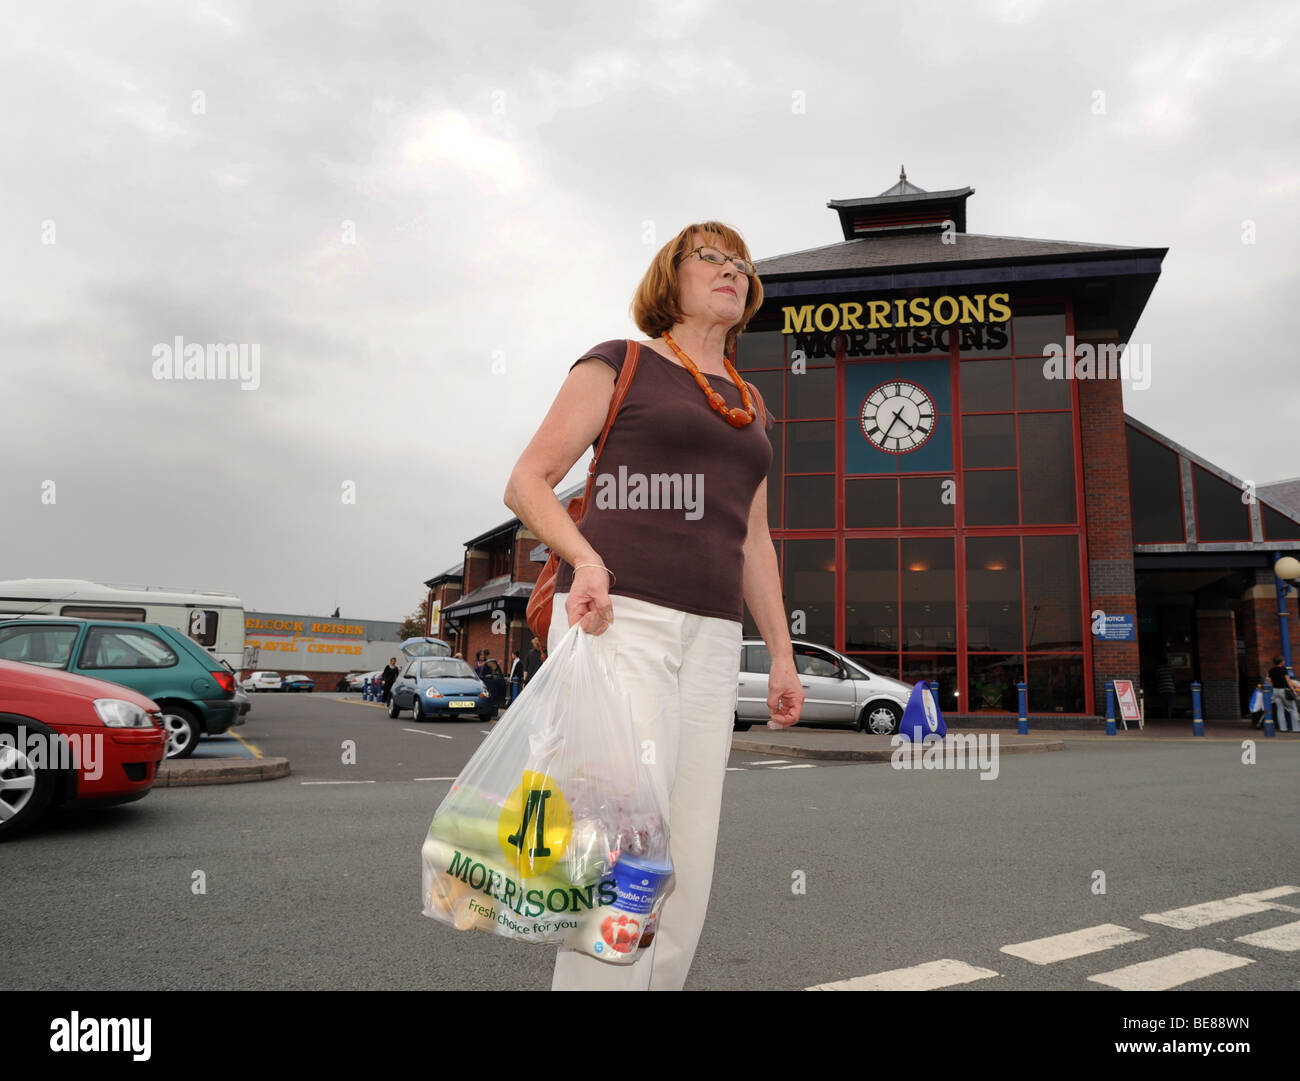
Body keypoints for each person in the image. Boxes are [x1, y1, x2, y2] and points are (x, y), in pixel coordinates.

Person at [503, 221, 804, 992]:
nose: (732, 270)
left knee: (689, 848)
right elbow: (529, 481)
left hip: (711, 636)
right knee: (622, 839)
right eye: (712, 257)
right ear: (669, 277)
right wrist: (585, 559)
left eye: (741, 262)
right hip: (617, 615)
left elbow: (756, 541)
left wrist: (779, 652)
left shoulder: (750, 403)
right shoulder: (620, 362)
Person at [1266, 655, 1299, 732]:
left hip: (1275, 691)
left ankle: (1283, 728)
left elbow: (1270, 682)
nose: (1284, 661)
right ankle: (1296, 728)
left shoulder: (1271, 670)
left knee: (1280, 710)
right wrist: (1293, 690)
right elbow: (1288, 681)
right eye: (1283, 660)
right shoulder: (1283, 669)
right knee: (1293, 709)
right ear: (1281, 662)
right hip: (1283, 690)